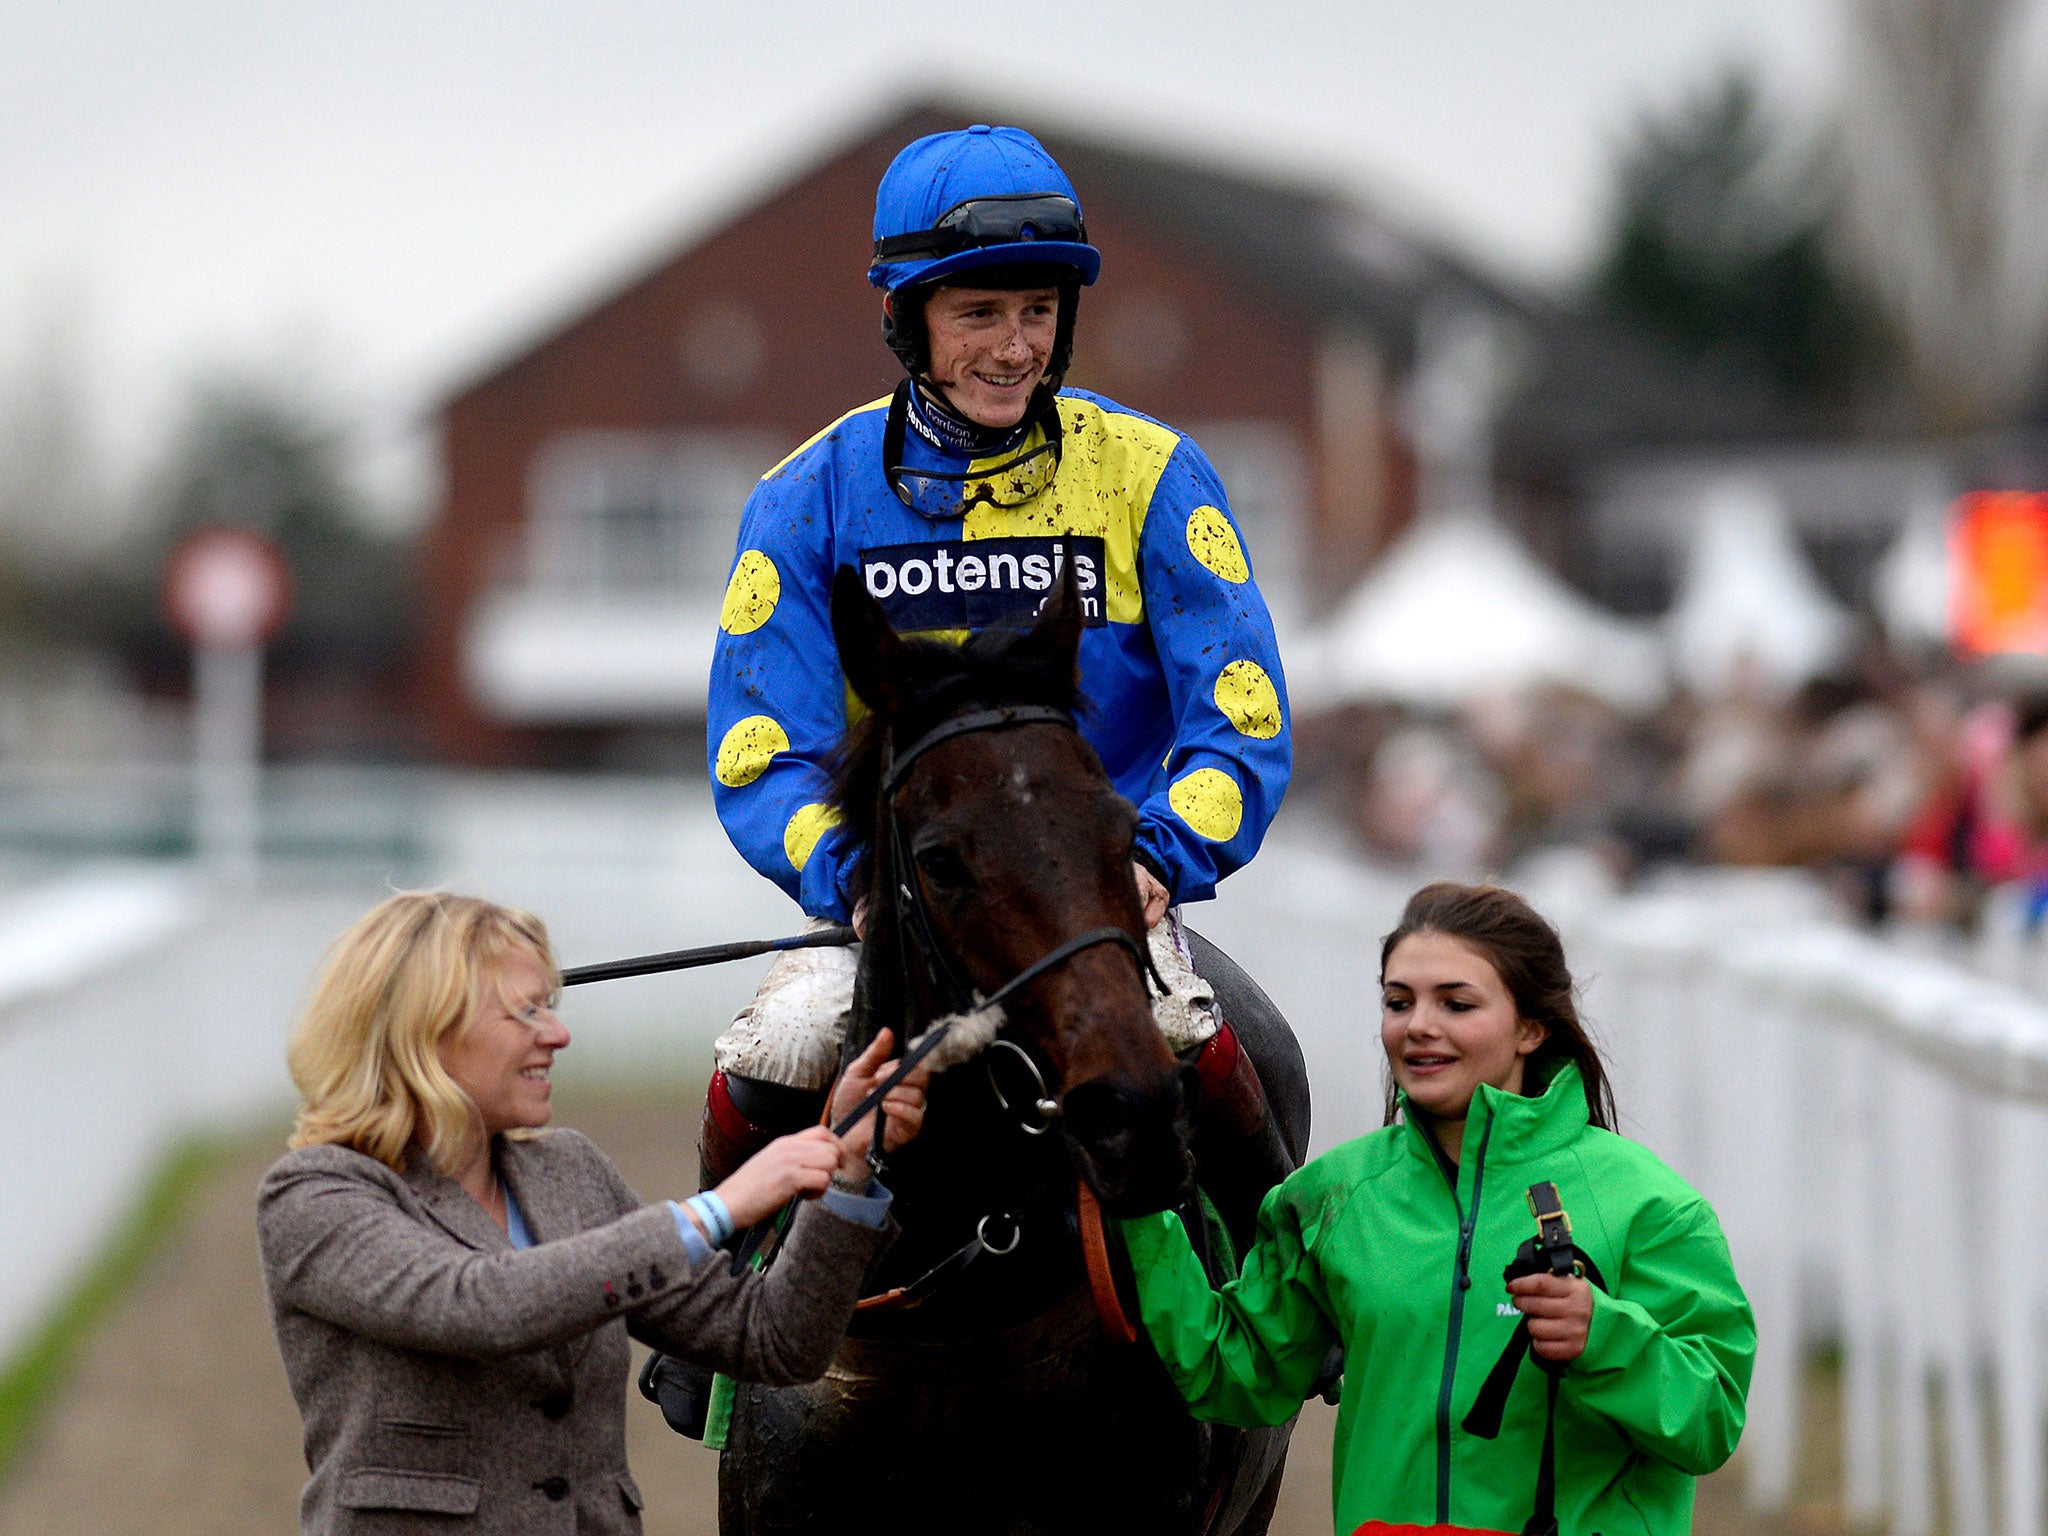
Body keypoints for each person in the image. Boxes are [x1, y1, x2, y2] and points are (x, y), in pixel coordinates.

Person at [701, 122, 1293, 1177]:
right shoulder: (802, 498)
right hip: (895, 913)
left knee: (1232, 1051)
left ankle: (1273, 1331)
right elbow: (757, 751)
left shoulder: (1156, 474)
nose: (1014, 348)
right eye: (978, 313)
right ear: (902, 315)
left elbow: (1240, 719)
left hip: (1098, 907)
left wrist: (1154, 857)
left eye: (1036, 312)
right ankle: (712, 1336)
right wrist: (853, 879)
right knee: (765, 1060)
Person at [256, 892, 926, 1535]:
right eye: (525, 1013)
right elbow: (482, 1306)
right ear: (423, 1032)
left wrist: (849, 1168)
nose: (559, 1033)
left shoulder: (571, 1171)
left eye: (551, 1007)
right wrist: (717, 1210)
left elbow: (777, 1340)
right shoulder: (315, 1196)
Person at [1118, 882, 1755, 1536]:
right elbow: (1231, 1374)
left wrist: (1606, 1337)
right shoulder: (1331, 1198)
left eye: (1456, 1003)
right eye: (1399, 1001)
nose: (1419, 1025)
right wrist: (1140, 1202)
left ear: (1532, 1027)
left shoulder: (1649, 1207)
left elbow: (1710, 1425)